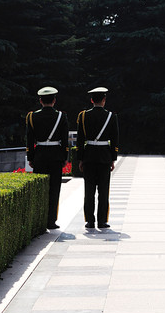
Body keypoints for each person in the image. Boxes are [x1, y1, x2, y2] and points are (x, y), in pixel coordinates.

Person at [26, 86, 69, 229]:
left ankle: (39, 221)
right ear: (54, 100)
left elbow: (30, 141)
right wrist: (64, 157)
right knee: (54, 189)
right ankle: (51, 221)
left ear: (40, 101)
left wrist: (30, 158)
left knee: (40, 190)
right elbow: (64, 140)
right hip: (56, 156)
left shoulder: (32, 116)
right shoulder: (61, 116)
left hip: (40, 156)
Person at [77, 87, 119, 228]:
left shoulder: (83, 116)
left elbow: (80, 140)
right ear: (104, 100)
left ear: (91, 100)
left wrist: (80, 159)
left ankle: (89, 220)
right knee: (103, 190)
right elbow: (115, 140)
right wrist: (113, 158)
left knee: (89, 190)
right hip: (104, 157)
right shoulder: (111, 116)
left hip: (89, 156)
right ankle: (102, 221)